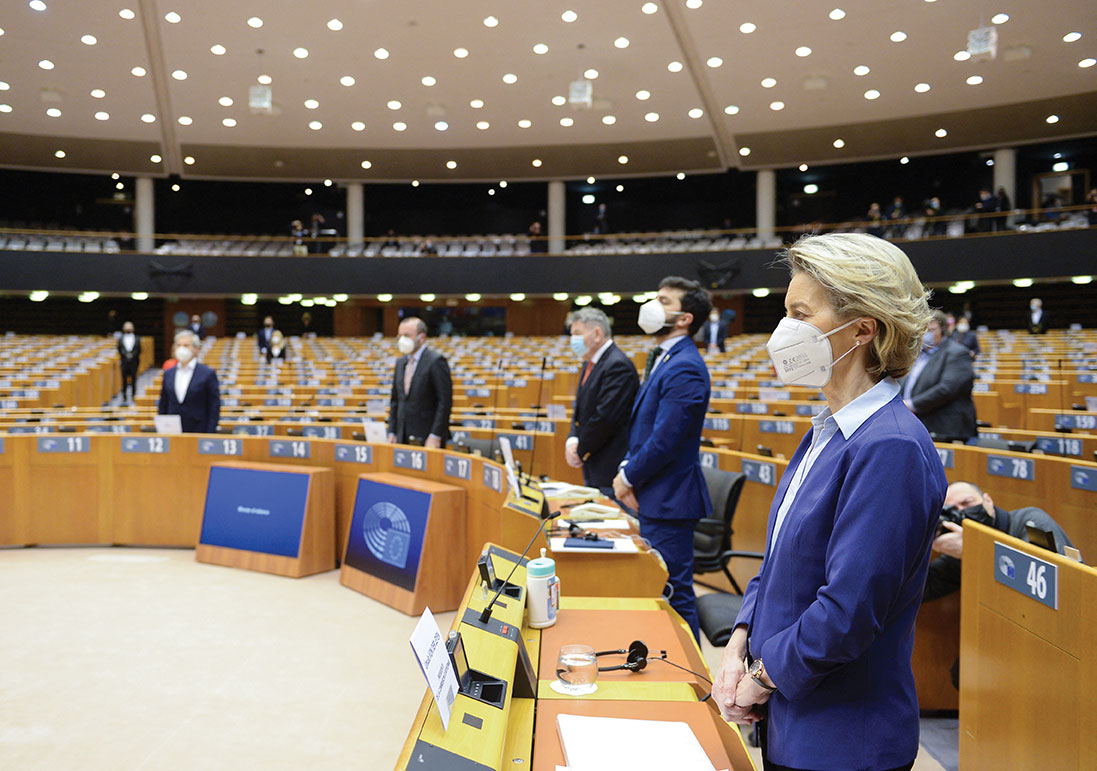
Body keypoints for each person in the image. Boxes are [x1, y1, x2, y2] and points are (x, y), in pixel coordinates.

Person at [711, 233, 947, 771]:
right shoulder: (827, 430)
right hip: (795, 718)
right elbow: (779, 564)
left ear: (863, 328)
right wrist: (739, 642)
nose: (784, 330)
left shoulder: (890, 446)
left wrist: (758, 678)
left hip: (844, 738)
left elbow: (848, 613)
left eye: (800, 312)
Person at [612, 276, 713, 642]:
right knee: (661, 585)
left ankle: (696, 682)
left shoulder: (685, 365)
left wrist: (627, 477)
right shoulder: (665, 357)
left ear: (685, 318)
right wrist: (628, 470)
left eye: (663, 300)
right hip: (655, 494)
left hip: (670, 499)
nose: (653, 305)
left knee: (673, 591)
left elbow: (666, 439)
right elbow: (643, 428)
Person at [924, 480, 1073, 602]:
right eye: (953, 510)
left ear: (988, 500)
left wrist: (975, 550)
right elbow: (925, 587)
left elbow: (1053, 585)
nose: (963, 512)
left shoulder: (1030, 522)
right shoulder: (964, 545)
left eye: (967, 503)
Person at [565, 308, 639, 495]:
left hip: (611, 464)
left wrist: (580, 450)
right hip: (593, 461)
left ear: (597, 333)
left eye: (577, 334)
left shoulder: (617, 365)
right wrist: (572, 440)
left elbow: (605, 417)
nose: (572, 340)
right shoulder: (589, 362)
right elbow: (580, 409)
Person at [901, 310, 977, 441]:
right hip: (916, 424)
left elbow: (947, 389)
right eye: (921, 330)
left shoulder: (958, 353)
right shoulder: (915, 354)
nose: (925, 334)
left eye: (930, 330)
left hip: (945, 428)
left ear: (943, 330)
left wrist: (911, 405)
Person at [387, 317, 452, 448]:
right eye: (400, 336)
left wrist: (435, 435)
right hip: (402, 435)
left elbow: (444, 402)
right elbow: (395, 401)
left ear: (421, 337)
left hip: (427, 436)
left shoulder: (436, 361)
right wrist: (392, 431)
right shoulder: (400, 363)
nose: (402, 340)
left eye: (406, 336)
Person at [157, 330, 220, 433]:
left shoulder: (207, 373)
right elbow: (163, 404)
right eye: (178, 345)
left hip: (199, 431)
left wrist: (210, 433)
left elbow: (214, 407)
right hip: (172, 432)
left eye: (186, 345)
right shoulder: (168, 374)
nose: (181, 349)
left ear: (196, 349)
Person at [117, 321, 140, 405]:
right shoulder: (121, 338)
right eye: (126, 327)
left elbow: (139, 350)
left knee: (134, 379)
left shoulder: (137, 338)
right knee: (124, 380)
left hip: (134, 362)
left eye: (129, 327)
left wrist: (132, 355)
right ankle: (124, 397)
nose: (128, 328)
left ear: (133, 328)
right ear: (123, 328)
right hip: (124, 362)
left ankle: (134, 395)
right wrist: (126, 355)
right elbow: (119, 349)